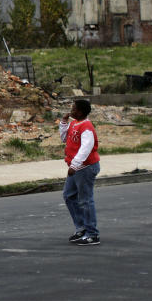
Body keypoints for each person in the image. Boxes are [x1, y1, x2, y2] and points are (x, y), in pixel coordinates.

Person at [61, 99, 101, 246]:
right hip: (76, 167)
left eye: (74, 109)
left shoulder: (87, 127)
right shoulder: (74, 123)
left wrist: (75, 165)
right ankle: (82, 227)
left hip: (85, 168)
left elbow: (86, 148)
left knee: (85, 200)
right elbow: (65, 138)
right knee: (69, 195)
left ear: (81, 112)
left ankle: (92, 234)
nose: (71, 111)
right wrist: (64, 123)